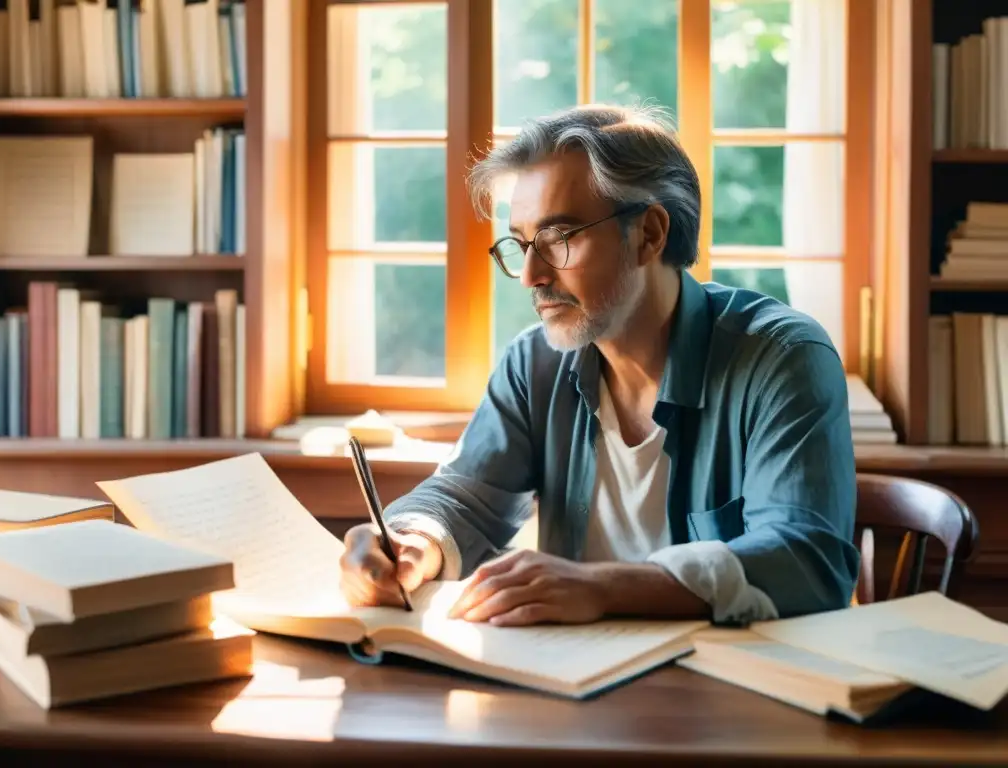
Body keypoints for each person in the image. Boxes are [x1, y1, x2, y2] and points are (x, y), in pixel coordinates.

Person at [339, 103, 859, 627]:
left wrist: (605, 587)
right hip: (572, 684)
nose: (531, 276)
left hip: (731, 691)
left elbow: (806, 557)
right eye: (521, 246)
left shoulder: (782, 359)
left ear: (650, 234)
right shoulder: (535, 362)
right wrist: (412, 540)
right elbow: (468, 497)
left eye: (558, 239)